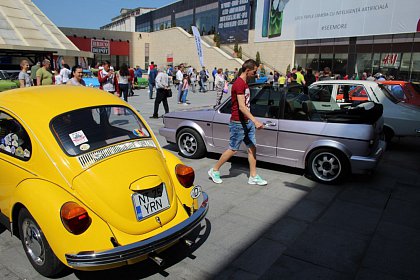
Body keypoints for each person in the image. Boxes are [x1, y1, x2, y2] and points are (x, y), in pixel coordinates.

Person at [208, 59, 267, 186]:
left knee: (252, 148)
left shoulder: (245, 83)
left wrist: (251, 121)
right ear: (247, 70)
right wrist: (255, 121)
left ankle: (253, 176)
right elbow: (241, 107)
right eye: (254, 71)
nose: (255, 74)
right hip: (238, 123)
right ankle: (214, 170)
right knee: (233, 149)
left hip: (246, 122)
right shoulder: (239, 84)